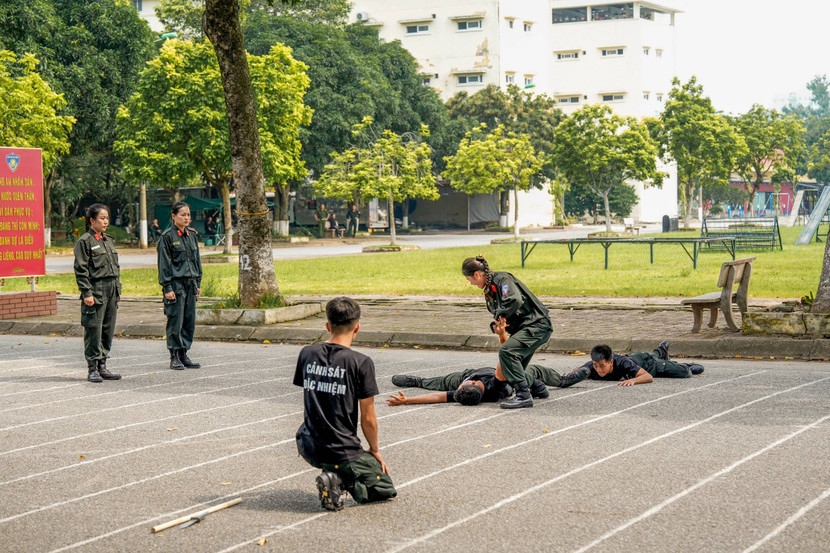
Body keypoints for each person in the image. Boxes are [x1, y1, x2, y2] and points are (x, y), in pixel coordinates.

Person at [294, 297, 397, 511]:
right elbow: (368, 417)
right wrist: (374, 450)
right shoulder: (361, 362)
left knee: (348, 462)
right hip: (341, 450)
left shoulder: (307, 354)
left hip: (308, 445)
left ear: (327, 326)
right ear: (357, 327)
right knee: (385, 488)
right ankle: (337, 480)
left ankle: (334, 472)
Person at [387, 317, 588, 406]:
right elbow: (506, 355)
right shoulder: (495, 386)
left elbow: (437, 397)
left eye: (460, 387)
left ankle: (416, 381)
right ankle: (563, 380)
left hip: (473, 372)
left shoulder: (464, 392)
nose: (460, 385)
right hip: (509, 375)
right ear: (474, 383)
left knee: (439, 382)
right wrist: (502, 335)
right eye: (462, 385)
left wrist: (407, 401)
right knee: (532, 371)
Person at [462, 256, 552, 409]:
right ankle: (538, 389)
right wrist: (500, 325)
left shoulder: (503, 280)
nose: (471, 283)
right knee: (511, 366)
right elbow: (505, 311)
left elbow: (514, 300)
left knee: (507, 352)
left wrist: (500, 314)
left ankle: (523, 396)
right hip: (526, 328)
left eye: (469, 279)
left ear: (477, 274)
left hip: (537, 326)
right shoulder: (490, 290)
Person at [73, 204, 122, 383]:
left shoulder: (107, 240)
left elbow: (115, 267)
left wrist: (118, 289)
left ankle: (102, 365)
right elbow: (81, 269)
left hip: (111, 289)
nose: (105, 221)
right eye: (102, 218)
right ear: (92, 220)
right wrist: (87, 292)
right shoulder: (85, 241)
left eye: (107, 218)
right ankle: (92, 368)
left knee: (108, 328)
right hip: (96, 289)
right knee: (94, 328)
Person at [157, 201, 203, 371]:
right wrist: (167, 287)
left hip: (191, 283)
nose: (186, 218)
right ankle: (174, 355)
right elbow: (164, 264)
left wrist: (198, 283)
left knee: (188, 320)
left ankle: (184, 353)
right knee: (175, 320)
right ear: (173, 216)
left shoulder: (192, 235)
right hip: (176, 284)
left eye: (188, 215)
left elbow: (196, 261)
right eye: (183, 215)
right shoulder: (167, 237)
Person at [578, 342, 704, 386]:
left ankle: (687, 366)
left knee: (683, 373)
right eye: (595, 365)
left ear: (611, 362)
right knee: (650, 355)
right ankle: (661, 350)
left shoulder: (623, 364)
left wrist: (633, 380)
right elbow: (577, 372)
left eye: (602, 366)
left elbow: (648, 376)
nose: (598, 369)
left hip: (648, 364)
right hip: (635, 358)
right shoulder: (591, 366)